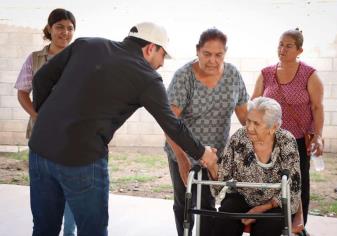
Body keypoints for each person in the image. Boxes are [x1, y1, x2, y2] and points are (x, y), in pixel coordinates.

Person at [28, 22, 218, 236]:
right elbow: (172, 124)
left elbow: (41, 78)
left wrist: (44, 117)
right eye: (163, 55)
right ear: (150, 48)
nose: (162, 63)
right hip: (82, 160)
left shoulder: (87, 44)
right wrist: (203, 153)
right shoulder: (147, 77)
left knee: (44, 229)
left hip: (39, 150)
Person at [165, 28, 248, 236]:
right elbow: (169, 122)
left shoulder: (232, 75)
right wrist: (182, 160)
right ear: (197, 51)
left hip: (213, 155)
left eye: (218, 55)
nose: (213, 60)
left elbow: (245, 118)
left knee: (207, 204)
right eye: (207, 54)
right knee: (185, 203)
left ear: (225, 53)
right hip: (183, 150)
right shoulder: (184, 77)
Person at [251, 28, 324, 229]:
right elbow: (254, 104)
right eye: (280, 44)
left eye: (288, 45)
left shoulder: (309, 74)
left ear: (300, 50)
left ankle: (298, 227)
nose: (282, 49)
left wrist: (318, 136)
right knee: (270, 184)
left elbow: (317, 107)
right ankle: (272, 226)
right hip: (269, 141)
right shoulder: (266, 73)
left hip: (299, 140)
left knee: (298, 184)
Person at [14, 8, 77, 236]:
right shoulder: (35, 59)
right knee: (44, 202)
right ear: (50, 29)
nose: (65, 32)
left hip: (73, 139)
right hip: (42, 139)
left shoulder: (79, 58)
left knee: (73, 197)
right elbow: (22, 92)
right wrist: (37, 117)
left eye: (70, 28)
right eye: (60, 27)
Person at [206, 97, 301, 236]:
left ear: (273, 127)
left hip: (274, 203)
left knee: (267, 227)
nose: (249, 128)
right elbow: (222, 176)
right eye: (248, 121)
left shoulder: (286, 141)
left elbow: (293, 185)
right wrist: (212, 164)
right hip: (242, 196)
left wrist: (262, 208)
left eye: (256, 124)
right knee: (224, 221)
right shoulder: (239, 137)